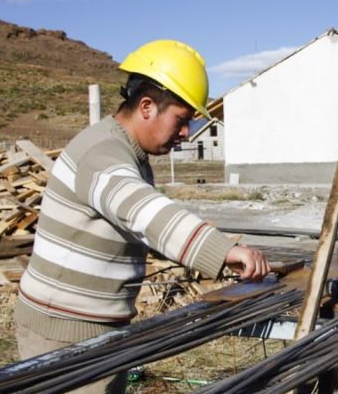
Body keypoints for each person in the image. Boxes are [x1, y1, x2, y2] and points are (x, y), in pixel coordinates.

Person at [14, 39, 270, 393]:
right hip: (62, 333)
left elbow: (138, 224)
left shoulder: (129, 153)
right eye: (181, 120)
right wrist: (221, 249)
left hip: (94, 329)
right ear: (147, 107)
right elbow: (142, 211)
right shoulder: (103, 152)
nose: (185, 134)